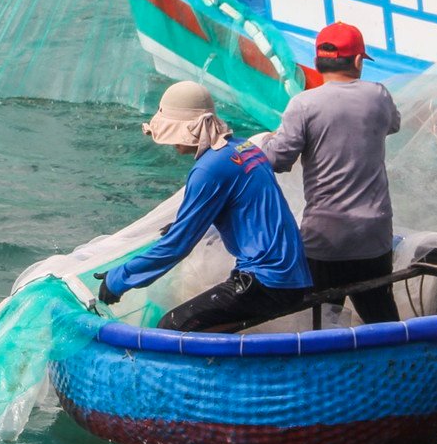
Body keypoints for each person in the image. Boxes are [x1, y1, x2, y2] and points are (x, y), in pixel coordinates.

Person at [98, 81, 314, 333]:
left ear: (188, 129)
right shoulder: (244, 148)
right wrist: (187, 223)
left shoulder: (209, 167)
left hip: (267, 282)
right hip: (295, 275)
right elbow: (241, 206)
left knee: (171, 327)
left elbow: (176, 247)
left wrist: (118, 279)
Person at [264, 22, 403, 324]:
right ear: (357, 61)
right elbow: (393, 124)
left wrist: (265, 141)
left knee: (324, 321)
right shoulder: (378, 95)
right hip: (373, 236)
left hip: (325, 239)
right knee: (382, 317)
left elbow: (276, 160)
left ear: (317, 62)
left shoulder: (302, 105)